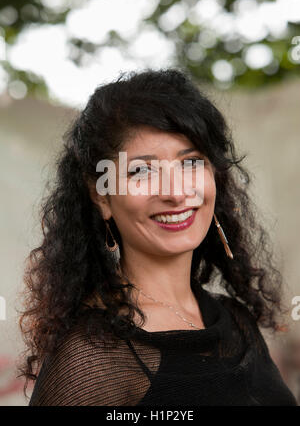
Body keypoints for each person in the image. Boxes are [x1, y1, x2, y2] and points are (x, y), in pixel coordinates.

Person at [18, 68, 297, 406]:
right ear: (102, 197)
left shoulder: (236, 321)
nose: (176, 193)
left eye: (191, 163)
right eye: (142, 171)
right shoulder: (94, 356)